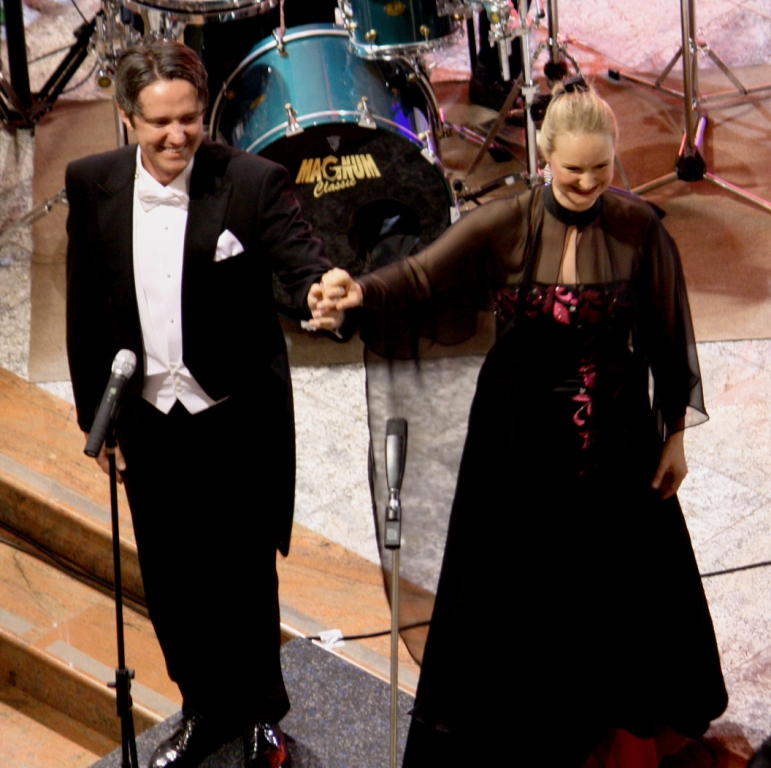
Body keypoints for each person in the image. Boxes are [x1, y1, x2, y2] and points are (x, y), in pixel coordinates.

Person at [309, 81, 728, 765]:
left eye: (600, 168)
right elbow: (420, 277)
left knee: (618, 579)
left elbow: (664, 333)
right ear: (544, 156)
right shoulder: (503, 223)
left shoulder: (639, 227)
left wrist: (674, 434)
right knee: (514, 579)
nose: (587, 183)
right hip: (518, 430)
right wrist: (358, 290)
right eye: (573, 169)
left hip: (617, 431)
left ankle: (607, 712)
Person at [66, 40, 341, 768]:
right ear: (127, 117)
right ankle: (203, 708)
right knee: (172, 580)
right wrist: (98, 418)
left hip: (234, 416)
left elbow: (299, 259)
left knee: (244, 578)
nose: (177, 135)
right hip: (148, 419)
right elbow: (85, 311)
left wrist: (321, 291)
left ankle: (261, 717)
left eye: (188, 118)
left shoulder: (251, 180)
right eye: (159, 122)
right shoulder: (91, 183)